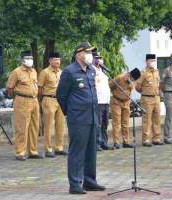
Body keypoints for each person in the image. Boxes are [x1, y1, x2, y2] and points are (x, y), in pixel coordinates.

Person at [56, 41, 105, 194]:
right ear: (79, 54)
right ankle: (75, 184)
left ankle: (89, 181)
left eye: (91, 52)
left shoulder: (91, 70)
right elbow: (61, 95)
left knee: (91, 150)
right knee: (77, 151)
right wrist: (70, 112)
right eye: (88, 52)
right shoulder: (69, 72)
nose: (90, 55)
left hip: (92, 116)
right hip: (77, 118)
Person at [6, 51, 43, 161]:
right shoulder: (16, 72)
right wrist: (18, 97)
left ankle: (33, 151)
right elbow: (9, 88)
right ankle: (20, 152)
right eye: (27, 58)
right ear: (22, 60)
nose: (30, 60)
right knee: (22, 127)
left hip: (34, 100)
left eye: (31, 58)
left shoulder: (34, 71)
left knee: (34, 127)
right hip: (22, 100)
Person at [38, 52, 67, 158]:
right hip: (49, 99)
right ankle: (48, 149)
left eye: (59, 60)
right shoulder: (44, 72)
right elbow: (39, 88)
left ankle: (59, 147)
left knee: (60, 125)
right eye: (55, 60)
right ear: (50, 61)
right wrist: (43, 100)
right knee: (49, 125)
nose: (58, 62)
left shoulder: (61, 72)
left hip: (60, 100)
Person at [135, 54, 163, 147]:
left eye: (154, 60)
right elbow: (137, 87)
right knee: (147, 120)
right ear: (146, 62)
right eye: (151, 60)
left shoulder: (156, 71)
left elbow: (159, 84)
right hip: (147, 98)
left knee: (157, 119)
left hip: (156, 98)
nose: (153, 62)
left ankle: (156, 138)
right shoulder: (143, 72)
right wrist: (145, 93)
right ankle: (146, 139)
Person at [109, 68, 140, 149]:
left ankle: (126, 141)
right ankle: (116, 142)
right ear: (129, 75)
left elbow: (131, 89)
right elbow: (110, 85)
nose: (133, 80)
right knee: (117, 123)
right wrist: (116, 93)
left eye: (134, 80)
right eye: (132, 78)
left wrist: (130, 82)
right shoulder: (120, 77)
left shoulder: (132, 82)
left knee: (125, 123)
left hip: (126, 102)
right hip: (116, 101)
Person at [92, 50, 114, 151]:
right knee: (98, 123)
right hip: (98, 101)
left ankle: (104, 142)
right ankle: (97, 143)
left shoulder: (103, 70)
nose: (99, 60)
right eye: (97, 58)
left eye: (100, 58)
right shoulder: (91, 70)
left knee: (105, 123)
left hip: (106, 100)